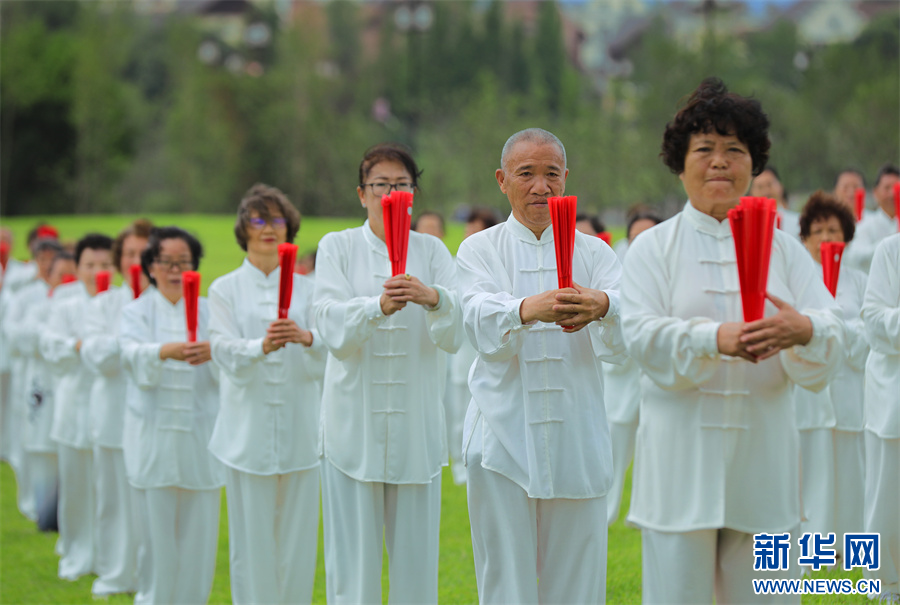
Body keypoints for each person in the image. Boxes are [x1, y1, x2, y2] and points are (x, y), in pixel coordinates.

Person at [620, 78, 843, 604]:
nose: (719, 162)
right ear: (680, 164)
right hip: (679, 465)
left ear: (754, 164)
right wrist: (712, 338)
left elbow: (837, 330)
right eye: (705, 150)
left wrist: (803, 330)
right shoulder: (652, 249)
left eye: (734, 150)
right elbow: (641, 335)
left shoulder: (787, 252)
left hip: (763, 462)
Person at [457, 128, 625, 603]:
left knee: (578, 580)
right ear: (501, 180)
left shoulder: (595, 253)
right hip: (500, 436)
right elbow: (475, 317)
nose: (540, 186)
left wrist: (606, 305)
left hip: (578, 433)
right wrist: (528, 308)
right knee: (505, 580)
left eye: (551, 174)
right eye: (526, 174)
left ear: (566, 178)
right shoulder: (480, 249)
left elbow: (631, 325)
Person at [313, 143, 463, 604]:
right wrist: (377, 307)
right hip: (351, 429)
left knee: (416, 568)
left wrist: (434, 298)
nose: (391, 193)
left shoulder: (433, 251)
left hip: (416, 429)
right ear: (362, 194)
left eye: (402, 184)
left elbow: (457, 334)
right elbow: (329, 325)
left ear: (414, 194)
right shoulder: (337, 247)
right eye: (381, 185)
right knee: (353, 568)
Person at [208, 185, 325, 605]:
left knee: (297, 544)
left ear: (289, 227)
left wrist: (306, 338)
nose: (268, 228)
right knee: (251, 545)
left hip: (300, 430)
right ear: (243, 228)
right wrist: (260, 346)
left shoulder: (310, 289)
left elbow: (330, 352)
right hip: (246, 434)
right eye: (258, 219)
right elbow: (219, 349)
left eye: (276, 220)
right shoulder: (224, 289)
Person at [119, 227, 223, 604]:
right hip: (154, 437)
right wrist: (164, 352)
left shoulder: (212, 309)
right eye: (167, 262)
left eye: (185, 262)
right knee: (155, 537)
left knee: (199, 536)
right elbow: (130, 355)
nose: (176, 269)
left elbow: (228, 362)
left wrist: (214, 353)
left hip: (199, 435)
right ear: (151, 267)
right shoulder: (135, 311)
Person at [80, 219, 152, 596]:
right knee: (111, 499)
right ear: (118, 259)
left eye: (142, 252)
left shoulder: (165, 303)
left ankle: (147, 575)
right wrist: (132, 343)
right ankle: (114, 572)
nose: (135, 260)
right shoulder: (104, 304)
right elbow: (96, 356)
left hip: (153, 420)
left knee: (148, 504)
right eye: (128, 253)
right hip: (111, 414)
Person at [794, 192, 868, 558]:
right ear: (805, 238)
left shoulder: (859, 282)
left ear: (847, 236)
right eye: (817, 230)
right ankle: (811, 552)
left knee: (851, 476)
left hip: (849, 393)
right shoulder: (795, 281)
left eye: (833, 230)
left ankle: (850, 551)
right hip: (808, 396)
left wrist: (832, 330)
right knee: (810, 477)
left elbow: (869, 337)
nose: (825, 238)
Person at [41, 233, 115, 581]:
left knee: (107, 489)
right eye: (90, 264)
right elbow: (50, 345)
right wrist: (79, 345)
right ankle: (76, 552)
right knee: (75, 488)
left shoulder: (122, 302)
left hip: (110, 410)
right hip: (73, 406)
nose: (96, 271)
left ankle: (107, 556)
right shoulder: (66, 304)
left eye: (104, 264)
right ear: (79, 266)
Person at [602, 210, 662, 525]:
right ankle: (607, 512)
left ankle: (645, 512)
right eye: (636, 237)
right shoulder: (616, 274)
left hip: (660, 379)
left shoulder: (672, 273)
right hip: (623, 377)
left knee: (655, 450)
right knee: (616, 447)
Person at [2, 237, 62, 516]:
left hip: (58, 376)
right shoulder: (25, 295)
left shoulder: (66, 294)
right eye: (44, 258)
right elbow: (13, 334)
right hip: (30, 375)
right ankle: (31, 502)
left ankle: (54, 505)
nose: (48, 264)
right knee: (28, 440)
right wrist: (42, 338)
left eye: (54, 259)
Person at [20, 251, 77, 532]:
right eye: (61, 276)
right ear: (50, 278)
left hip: (71, 393)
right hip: (44, 388)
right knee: (44, 452)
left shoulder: (82, 309)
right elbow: (28, 339)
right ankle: (43, 513)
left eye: (72, 276)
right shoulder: (39, 308)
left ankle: (65, 515)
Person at [861, 233, 900, 602]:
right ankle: (886, 582)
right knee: (888, 494)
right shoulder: (890, 250)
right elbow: (872, 318)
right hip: (894, 395)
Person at [845, 164, 900, 273]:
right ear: (876, 192)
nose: (892, 194)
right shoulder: (866, 224)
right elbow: (856, 257)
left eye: (896, 188)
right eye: (887, 188)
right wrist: (892, 241)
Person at [749, 166, 800, 239]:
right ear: (751, 193)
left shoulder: (798, 223)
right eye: (760, 187)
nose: (765, 192)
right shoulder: (747, 227)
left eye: (769, 185)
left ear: (780, 186)